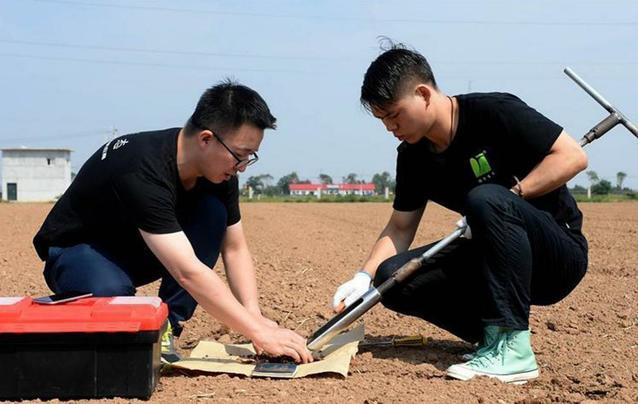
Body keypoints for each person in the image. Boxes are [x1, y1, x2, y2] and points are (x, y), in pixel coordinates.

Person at [332, 44, 588, 383]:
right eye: (383, 120)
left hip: (555, 253)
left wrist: (506, 200)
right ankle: (491, 339)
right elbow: (400, 226)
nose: (390, 128)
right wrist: (363, 277)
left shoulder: (493, 112)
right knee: (392, 278)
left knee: (486, 198)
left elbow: (572, 156)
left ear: (423, 94)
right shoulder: (412, 156)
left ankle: (514, 350)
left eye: (394, 115)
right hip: (489, 259)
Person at [34, 80, 313, 364]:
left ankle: (167, 324)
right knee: (112, 300)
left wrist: (255, 317)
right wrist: (259, 332)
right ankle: (82, 309)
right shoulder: (141, 167)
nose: (241, 167)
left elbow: (235, 249)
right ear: (206, 139)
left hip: (145, 245)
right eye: (239, 156)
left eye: (249, 158)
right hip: (79, 250)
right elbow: (187, 272)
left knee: (213, 212)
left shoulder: (220, 173)